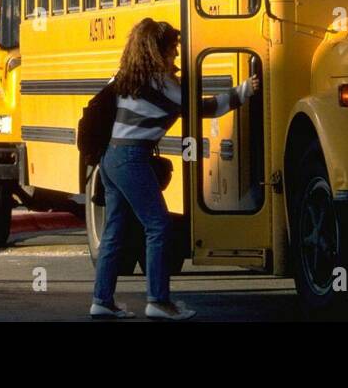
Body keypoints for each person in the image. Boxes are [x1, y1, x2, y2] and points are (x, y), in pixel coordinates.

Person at [90, 18, 259, 321]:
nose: (177, 56)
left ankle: (102, 300)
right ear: (159, 51)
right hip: (132, 158)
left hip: (111, 158)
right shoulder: (162, 84)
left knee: (114, 232)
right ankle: (158, 300)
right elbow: (202, 109)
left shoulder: (127, 77)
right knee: (158, 226)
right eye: (173, 50)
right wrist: (244, 91)